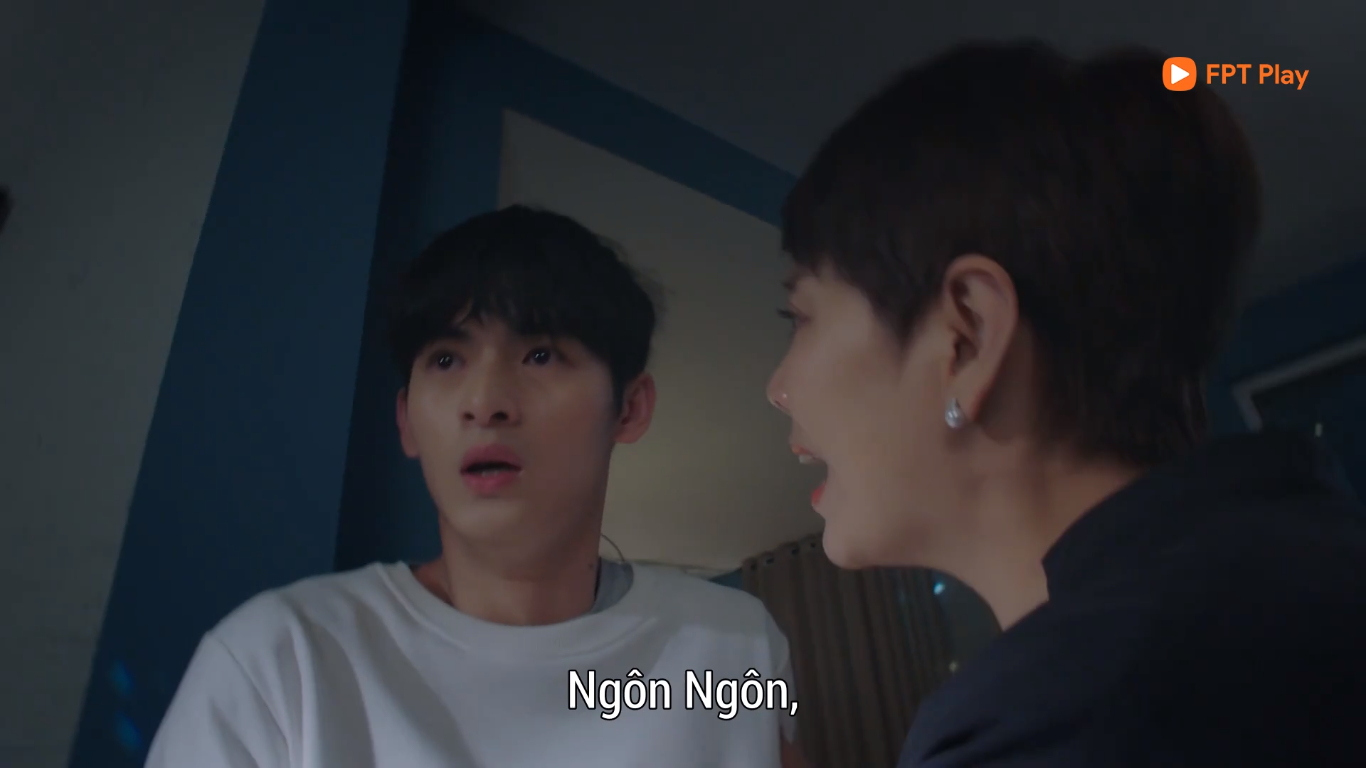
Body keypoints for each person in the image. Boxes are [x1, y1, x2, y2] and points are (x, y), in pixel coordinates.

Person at [766, 41, 1366, 766]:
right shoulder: (1310, 573)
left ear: (966, 337)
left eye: (801, 316)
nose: (778, 387)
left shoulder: (1054, 721)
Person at [147, 206, 803, 767]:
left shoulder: (731, 646)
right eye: (445, 360)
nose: (484, 402)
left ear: (629, 408)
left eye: (540, 355)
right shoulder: (283, 660)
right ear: (407, 421)